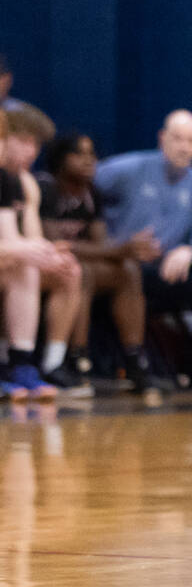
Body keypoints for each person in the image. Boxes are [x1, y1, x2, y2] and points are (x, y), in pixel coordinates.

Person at [95, 109, 192, 402]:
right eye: (177, 138)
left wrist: (189, 250)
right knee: (126, 272)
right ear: (162, 138)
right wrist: (102, 236)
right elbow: (86, 183)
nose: (183, 147)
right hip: (124, 265)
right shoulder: (128, 168)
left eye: (191, 140)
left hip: (166, 272)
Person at [38, 131, 166, 393]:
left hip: (79, 264)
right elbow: (56, 244)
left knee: (128, 270)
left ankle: (133, 360)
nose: (89, 160)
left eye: (92, 154)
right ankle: (76, 359)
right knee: (80, 270)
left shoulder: (90, 193)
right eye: (79, 153)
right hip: (45, 264)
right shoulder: (46, 186)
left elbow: (101, 244)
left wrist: (123, 252)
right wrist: (121, 248)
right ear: (60, 159)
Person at [1, 103, 86, 395]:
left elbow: (21, 238)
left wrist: (47, 252)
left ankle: (42, 364)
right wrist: (25, 251)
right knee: (21, 261)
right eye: (23, 141)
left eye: (36, 144)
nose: (31, 151)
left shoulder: (18, 182)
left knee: (65, 269)